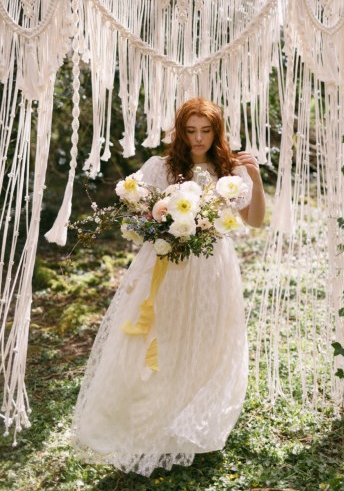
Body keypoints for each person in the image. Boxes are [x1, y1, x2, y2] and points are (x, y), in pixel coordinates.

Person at [70, 98, 266, 477]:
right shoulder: (161, 167)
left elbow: (255, 221)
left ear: (217, 132)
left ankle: (188, 423)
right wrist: (159, 220)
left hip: (213, 269)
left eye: (205, 131)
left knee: (206, 341)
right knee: (163, 338)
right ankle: (150, 420)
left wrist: (254, 178)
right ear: (180, 131)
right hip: (166, 265)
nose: (198, 138)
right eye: (191, 130)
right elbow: (139, 210)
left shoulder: (229, 172)